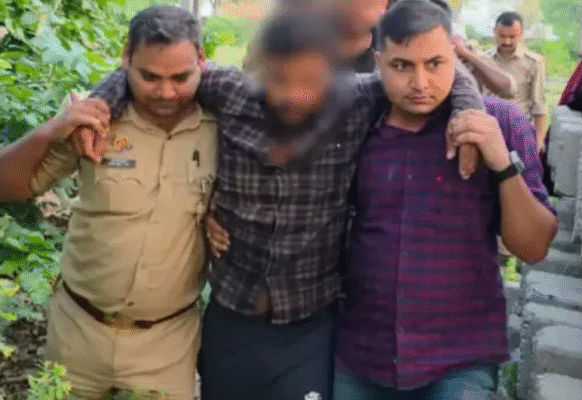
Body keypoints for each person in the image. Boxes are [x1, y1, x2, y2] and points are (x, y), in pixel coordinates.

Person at [83, 7, 486, 399]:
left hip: (308, 326)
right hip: (231, 320)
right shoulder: (230, 92)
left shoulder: (356, 99)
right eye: (279, 79)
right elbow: (151, 69)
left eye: (309, 80)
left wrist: (468, 112)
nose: (294, 94)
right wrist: (100, 106)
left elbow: (440, 69)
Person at [331, 1, 557, 399]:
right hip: (364, 354)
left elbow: (534, 247)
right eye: (402, 66)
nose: (420, 83)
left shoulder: (500, 123)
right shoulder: (357, 125)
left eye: (435, 63)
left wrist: (501, 162)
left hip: (460, 359)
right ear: (379, 62)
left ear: (456, 55)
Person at [0, 6, 217, 399]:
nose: (166, 92)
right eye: (150, 77)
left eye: (180, 78)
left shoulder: (222, 127)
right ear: (126, 58)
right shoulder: (92, 119)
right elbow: (11, 186)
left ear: (202, 61)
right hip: (77, 335)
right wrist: (51, 130)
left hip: (167, 347)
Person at [489, 11, 547, 149]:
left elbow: (539, 106)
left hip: (518, 130)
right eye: (502, 36)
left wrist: (537, 144)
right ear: (494, 32)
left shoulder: (533, 63)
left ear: (521, 34)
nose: (507, 41)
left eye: (512, 36)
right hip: (488, 129)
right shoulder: (484, 60)